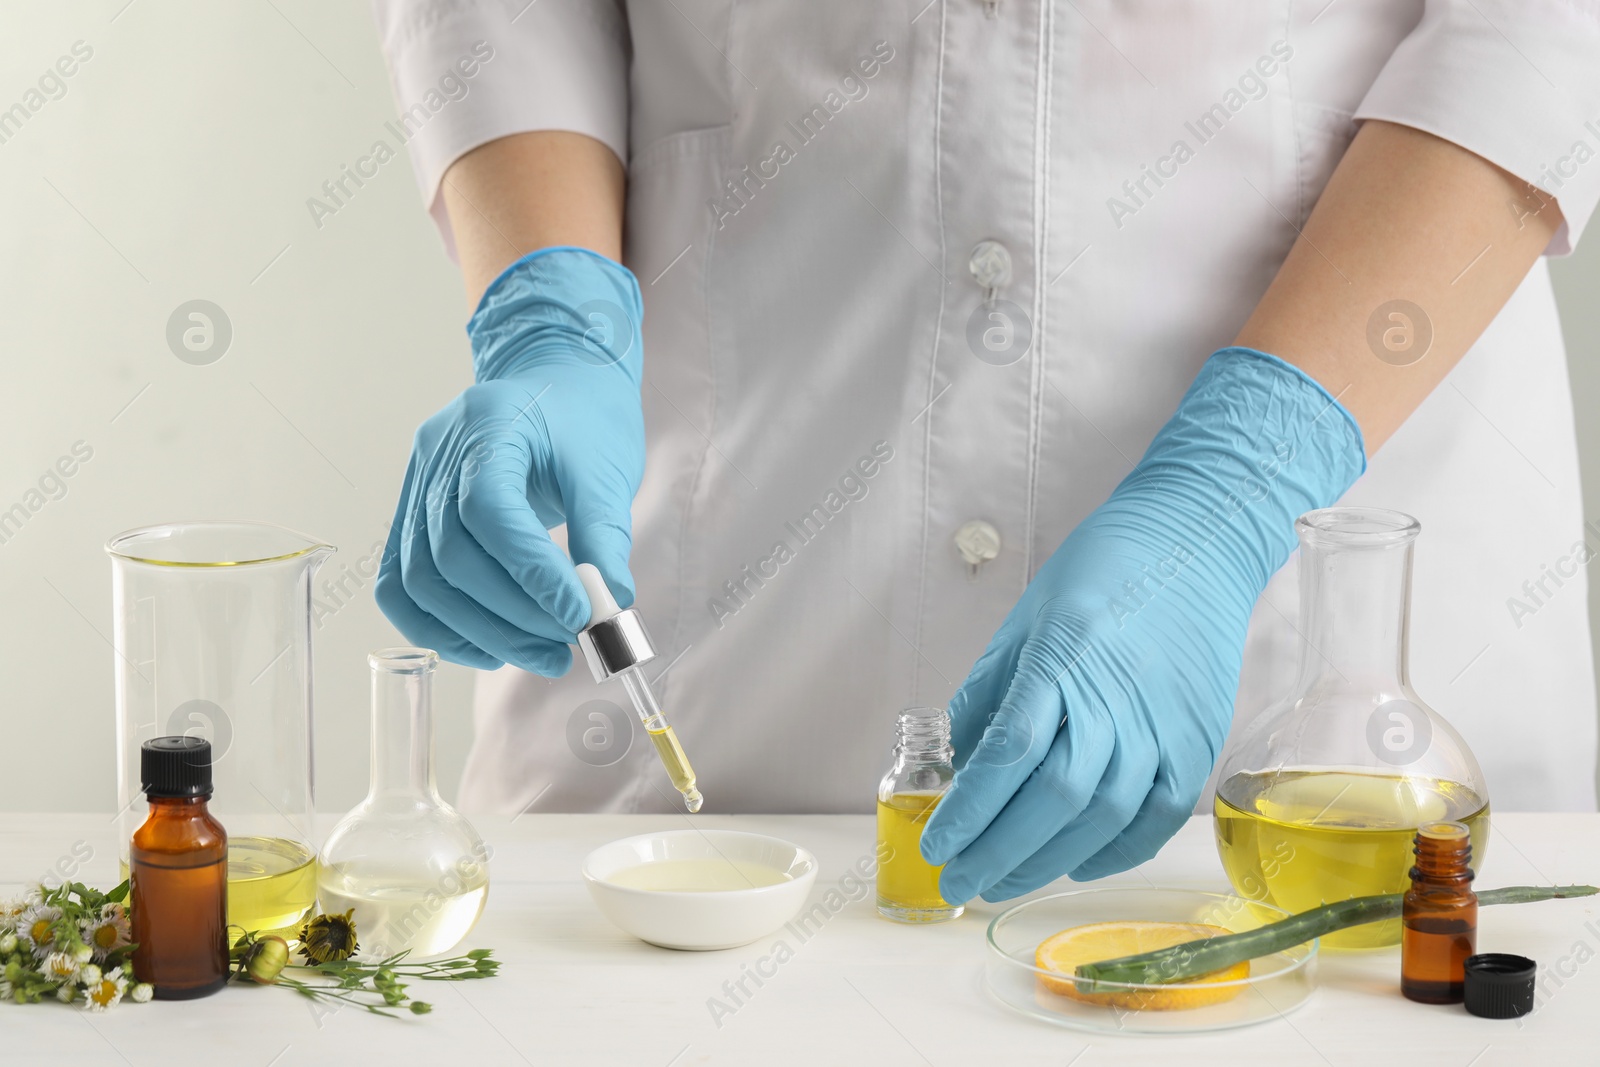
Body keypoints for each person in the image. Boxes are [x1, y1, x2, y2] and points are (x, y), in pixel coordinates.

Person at [369, 1, 1600, 904]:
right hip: (738, 614)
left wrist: (1235, 485)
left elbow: (1539, 31)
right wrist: (550, 315)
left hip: (1319, 670)